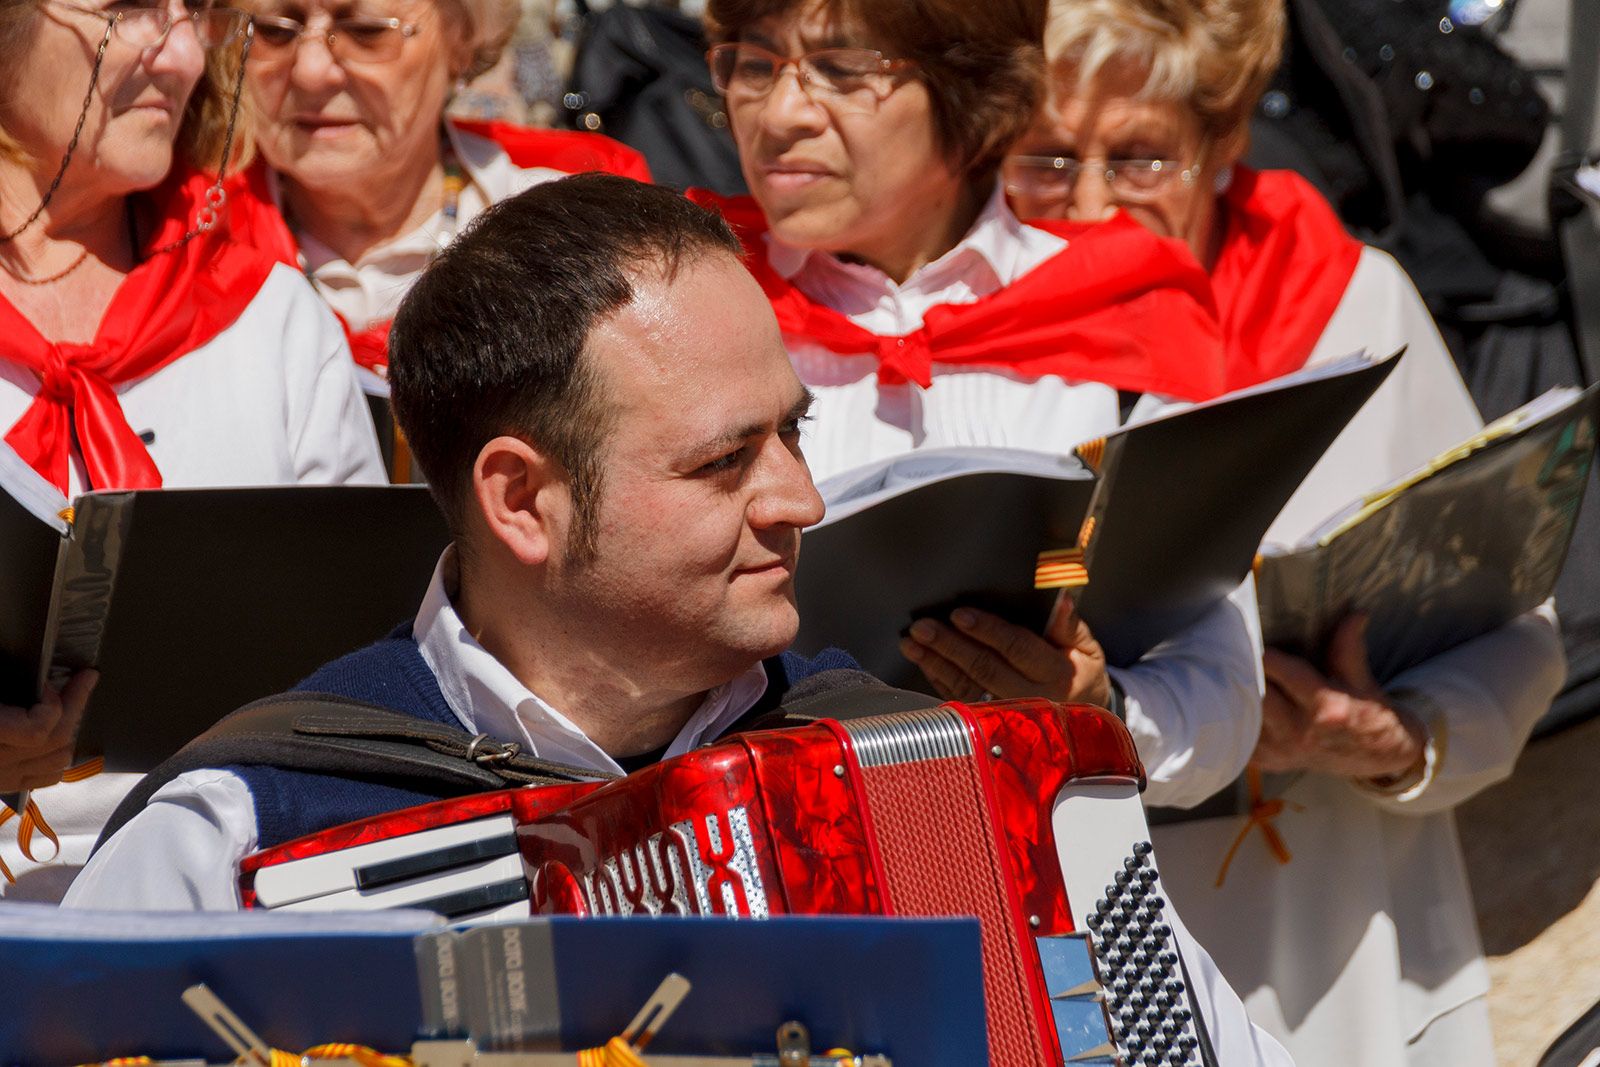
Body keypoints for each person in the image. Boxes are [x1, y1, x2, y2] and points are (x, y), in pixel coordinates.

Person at [67, 175, 1294, 1067]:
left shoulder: (931, 766)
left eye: (793, 434)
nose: (801, 501)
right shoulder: (240, 832)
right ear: (521, 500)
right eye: (724, 463)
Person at [1006, 0, 1567, 1063]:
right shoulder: (970, 326)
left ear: (1221, 145)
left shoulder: (1354, 307)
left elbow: (1512, 619)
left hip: (1337, 910)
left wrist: (1404, 736)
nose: (1086, 206)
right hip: (1079, 928)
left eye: (1138, 160)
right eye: (1041, 160)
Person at [696, 0, 1264, 811]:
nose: (781, 114)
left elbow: (1222, 690)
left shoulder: (1124, 310)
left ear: (972, 90)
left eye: (844, 68)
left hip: (1054, 891)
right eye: (754, 65)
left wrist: (1095, 714)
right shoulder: (682, 312)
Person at [0, 0, 385, 899]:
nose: (181, 54)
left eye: (200, 12)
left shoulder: (270, 321)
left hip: (228, 896)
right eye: (131, 7)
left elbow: (370, 681)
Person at [220, 0, 649, 380]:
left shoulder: (573, 235)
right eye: (274, 30)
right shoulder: (186, 237)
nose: (311, 72)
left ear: (461, 41)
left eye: (366, 31)